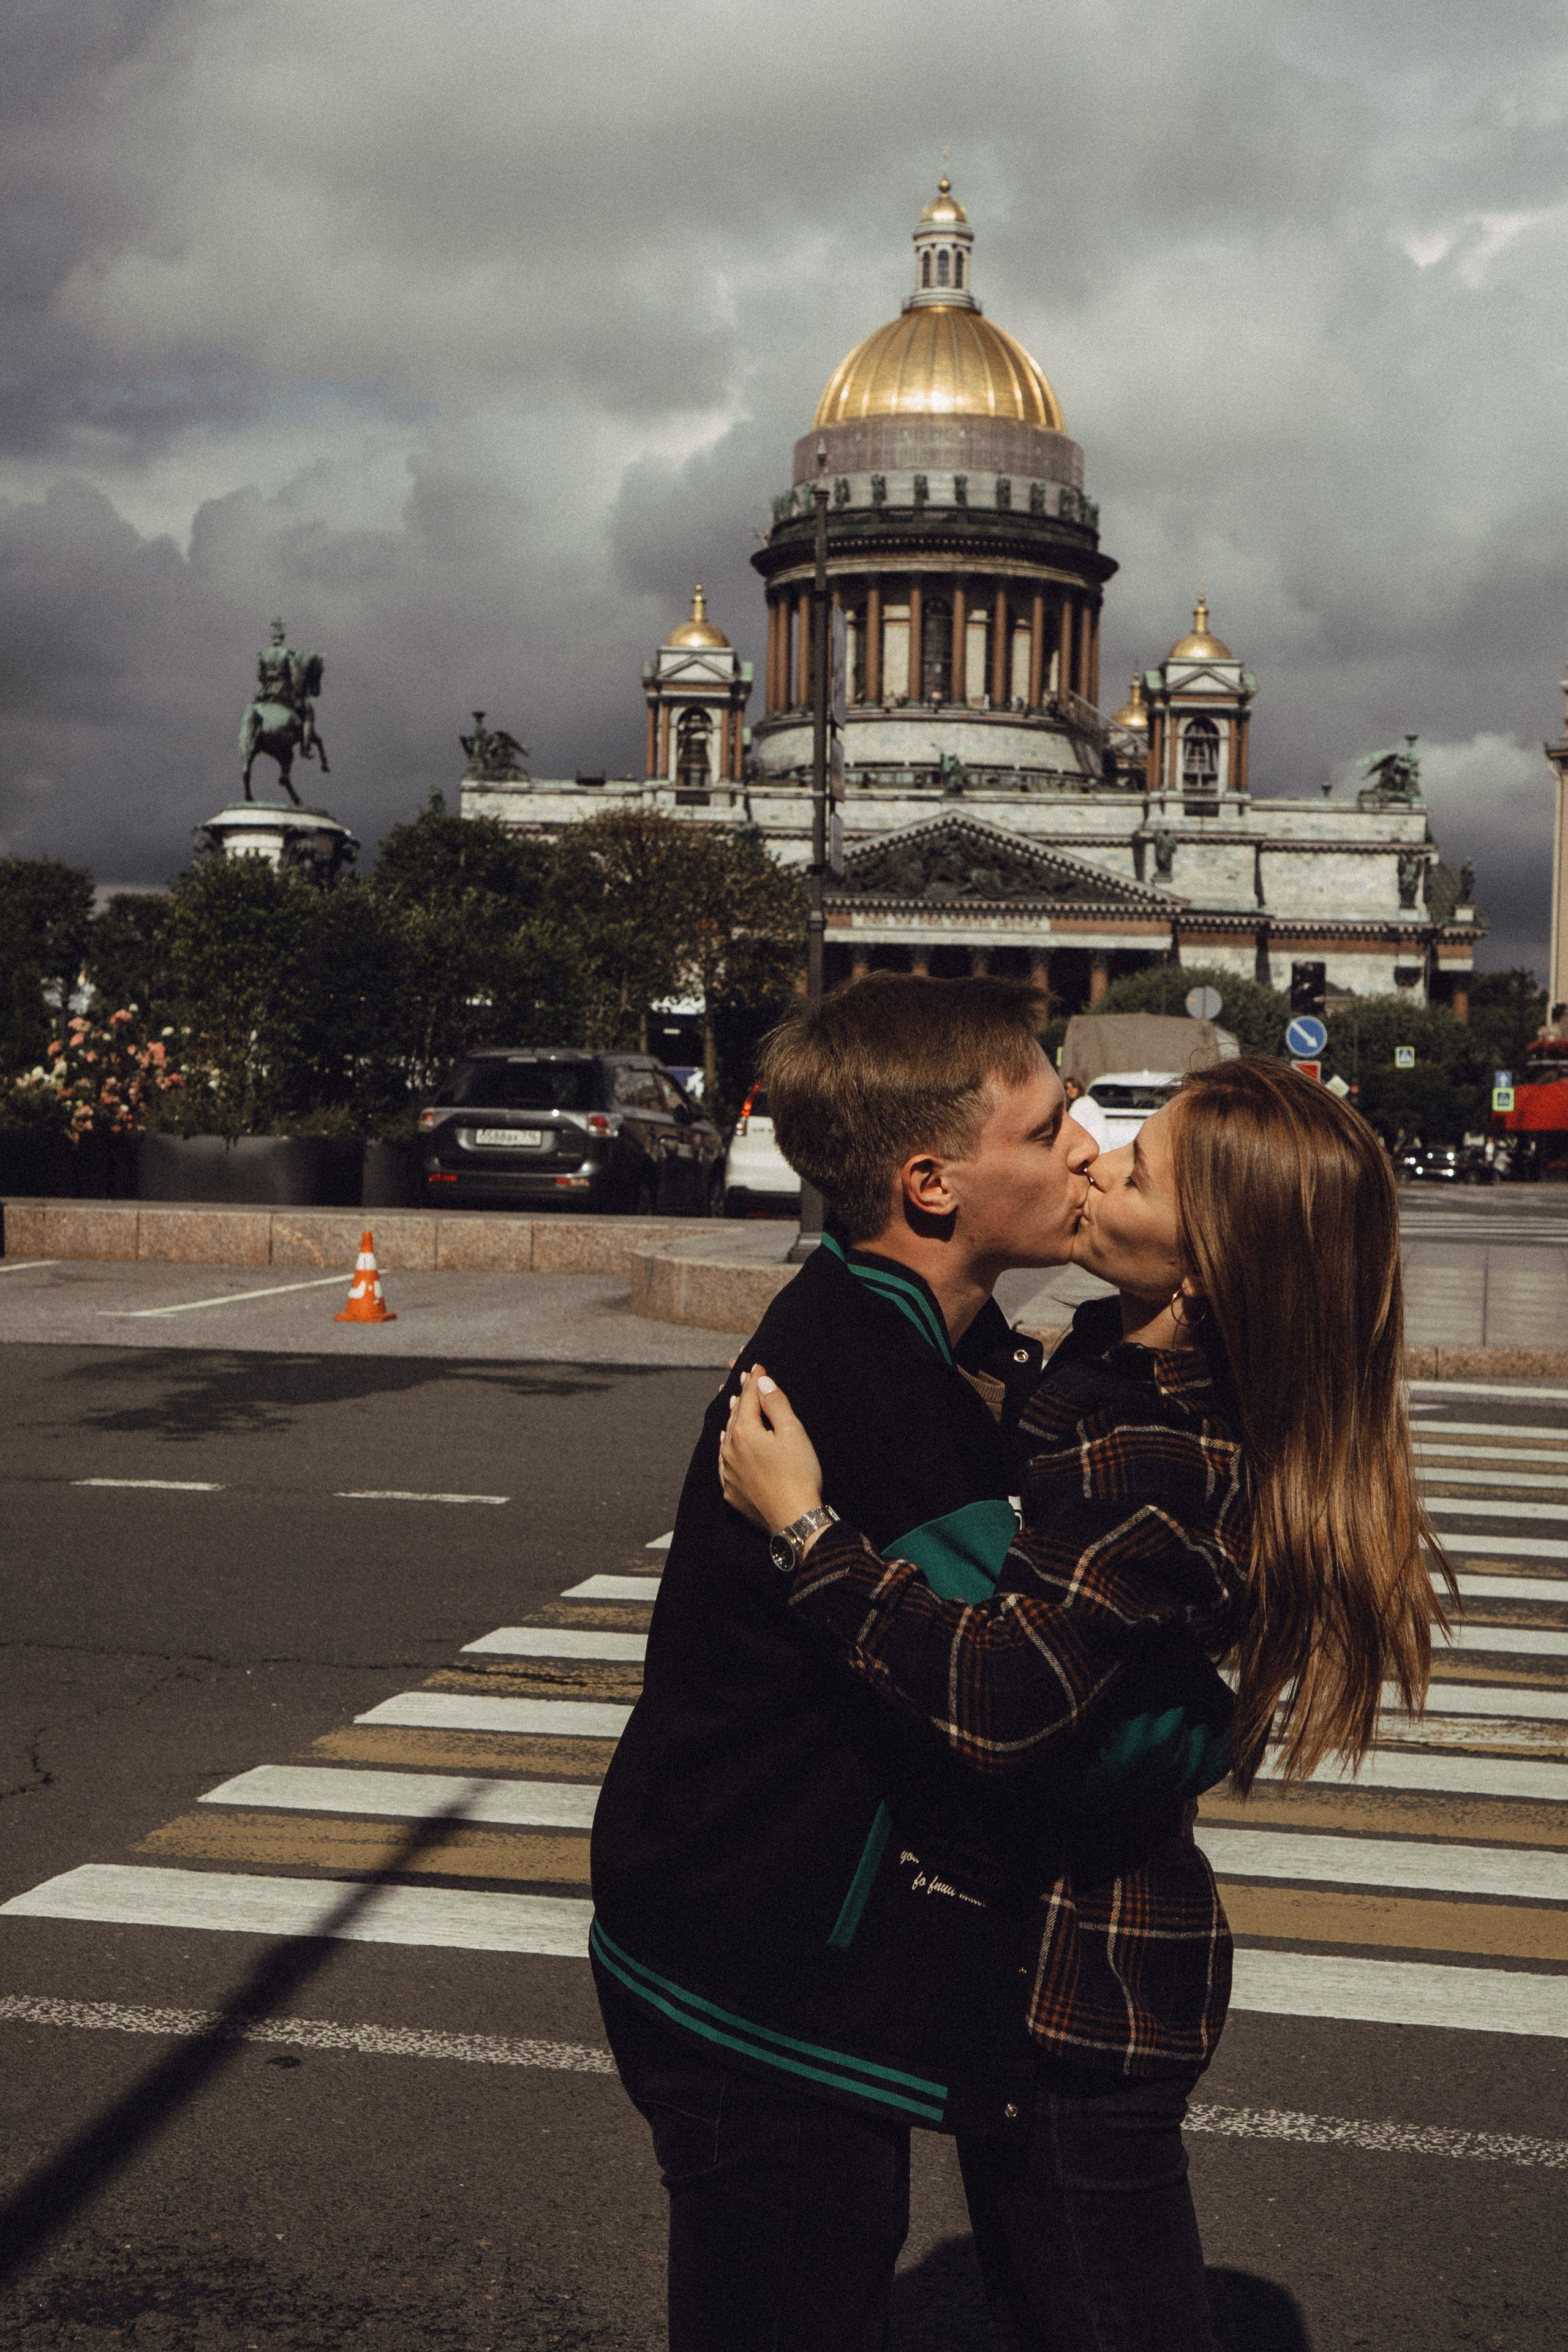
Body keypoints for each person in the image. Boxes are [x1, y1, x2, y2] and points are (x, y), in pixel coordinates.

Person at [719, 1057, 1454, 2350]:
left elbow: (1006, 1698)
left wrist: (804, 1536)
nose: (1097, 1155)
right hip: (1050, 1968)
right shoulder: (1116, 1362)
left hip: (1086, 1995)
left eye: (1138, 1166)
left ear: (1210, 1268)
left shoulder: (1163, 1458)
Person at [591, 975, 1212, 2352]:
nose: (1083, 1150)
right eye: (1048, 1126)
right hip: (761, 1971)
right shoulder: (869, 1385)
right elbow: (1054, 1719)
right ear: (932, 1182)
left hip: (771, 1932)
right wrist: (1201, 1718)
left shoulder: (924, 1337)